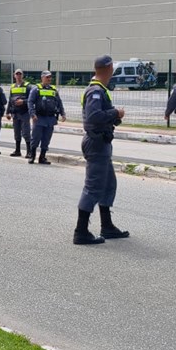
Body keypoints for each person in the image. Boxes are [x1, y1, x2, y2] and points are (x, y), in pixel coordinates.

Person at [74, 55, 128, 245]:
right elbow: (94, 116)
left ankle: (107, 226)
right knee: (93, 187)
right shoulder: (95, 91)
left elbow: (99, 116)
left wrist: (113, 118)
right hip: (96, 143)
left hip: (101, 142)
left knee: (107, 184)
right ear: (110, 68)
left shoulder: (101, 90)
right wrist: (116, 113)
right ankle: (81, 231)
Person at [27, 71, 66, 164]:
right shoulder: (36, 89)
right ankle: (32, 156)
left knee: (46, 139)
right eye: (47, 77)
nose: (49, 79)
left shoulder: (53, 90)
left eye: (50, 77)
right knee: (35, 138)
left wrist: (62, 113)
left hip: (50, 118)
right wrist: (32, 114)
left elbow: (59, 102)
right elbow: (30, 102)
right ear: (42, 78)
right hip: (39, 118)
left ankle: (42, 157)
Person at [5, 69, 31, 157]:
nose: (18, 76)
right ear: (14, 75)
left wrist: (23, 102)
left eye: (20, 74)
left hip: (24, 113)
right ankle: (17, 150)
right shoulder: (13, 87)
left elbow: (31, 100)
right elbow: (10, 100)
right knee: (16, 133)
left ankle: (29, 151)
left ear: (22, 75)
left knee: (26, 132)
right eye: (17, 74)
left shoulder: (28, 86)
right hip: (15, 113)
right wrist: (7, 112)